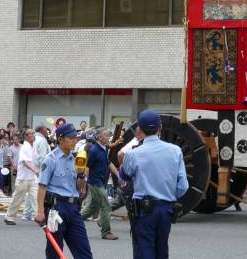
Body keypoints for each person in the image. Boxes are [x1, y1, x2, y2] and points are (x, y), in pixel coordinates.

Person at [119, 110, 188, 259]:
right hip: (166, 208)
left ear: (140, 129)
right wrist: (168, 195)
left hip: (143, 209)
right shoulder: (175, 151)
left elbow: (124, 176)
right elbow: (183, 186)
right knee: (162, 249)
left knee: (144, 249)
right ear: (160, 127)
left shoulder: (133, 153)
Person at [36, 123, 93, 259]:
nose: (74, 141)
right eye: (71, 138)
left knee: (83, 250)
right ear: (60, 139)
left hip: (73, 208)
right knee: (55, 251)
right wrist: (39, 211)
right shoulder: (51, 159)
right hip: (56, 208)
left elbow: (80, 188)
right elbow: (42, 186)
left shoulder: (75, 159)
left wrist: (81, 174)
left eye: (76, 138)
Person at [80, 128, 117, 241]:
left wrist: (119, 175)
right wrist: (84, 185)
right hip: (95, 182)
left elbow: (108, 163)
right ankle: (106, 232)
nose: (108, 137)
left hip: (100, 181)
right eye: (106, 135)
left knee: (92, 208)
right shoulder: (94, 150)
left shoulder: (104, 148)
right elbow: (87, 167)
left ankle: (72, 222)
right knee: (106, 206)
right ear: (100, 138)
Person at [6, 128, 40, 225]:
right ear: (25, 136)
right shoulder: (25, 147)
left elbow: (37, 160)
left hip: (32, 178)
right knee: (18, 198)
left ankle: (38, 217)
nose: (33, 135)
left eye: (34, 133)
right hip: (23, 178)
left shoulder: (33, 146)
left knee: (36, 197)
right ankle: (9, 216)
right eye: (31, 134)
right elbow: (25, 162)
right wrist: (34, 169)